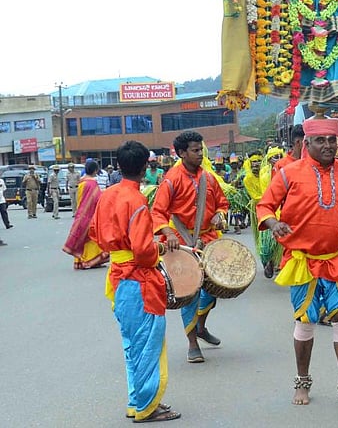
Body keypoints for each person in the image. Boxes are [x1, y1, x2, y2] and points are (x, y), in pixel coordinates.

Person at [256, 114, 338, 407]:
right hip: (302, 260)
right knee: (305, 320)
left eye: (332, 140)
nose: (328, 145)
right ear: (306, 143)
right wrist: (273, 224)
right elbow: (265, 206)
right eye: (320, 140)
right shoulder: (288, 173)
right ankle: (302, 382)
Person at [95, 140, 181, 423]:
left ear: (119, 165)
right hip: (139, 280)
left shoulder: (107, 195)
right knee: (148, 344)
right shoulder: (138, 201)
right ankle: (147, 406)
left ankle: (136, 401)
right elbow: (144, 253)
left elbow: (97, 234)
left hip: (118, 278)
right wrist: (160, 247)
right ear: (146, 166)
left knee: (132, 343)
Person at [151, 131, 230, 364]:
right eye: (195, 150)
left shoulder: (210, 178)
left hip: (207, 240)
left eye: (200, 149)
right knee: (189, 292)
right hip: (181, 243)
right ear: (181, 153)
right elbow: (158, 212)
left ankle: (201, 327)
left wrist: (220, 214)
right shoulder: (171, 179)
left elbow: (223, 204)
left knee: (213, 290)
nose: (200, 154)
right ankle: (192, 343)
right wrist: (166, 232)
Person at [62, 161, 108, 269]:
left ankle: (81, 260)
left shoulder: (81, 182)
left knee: (82, 236)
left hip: (81, 212)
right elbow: (97, 199)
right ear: (95, 170)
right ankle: (90, 260)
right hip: (90, 214)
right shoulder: (92, 184)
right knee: (91, 237)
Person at [243, 150, 279, 278]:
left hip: (273, 207)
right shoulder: (248, 179)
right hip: (258, 210)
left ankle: (274, 260)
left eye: (258, 161)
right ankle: (267, 260)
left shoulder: (271, 174)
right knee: (263, 239)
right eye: (253, 162)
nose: (256, 164)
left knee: (276, 238)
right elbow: (256, 196)